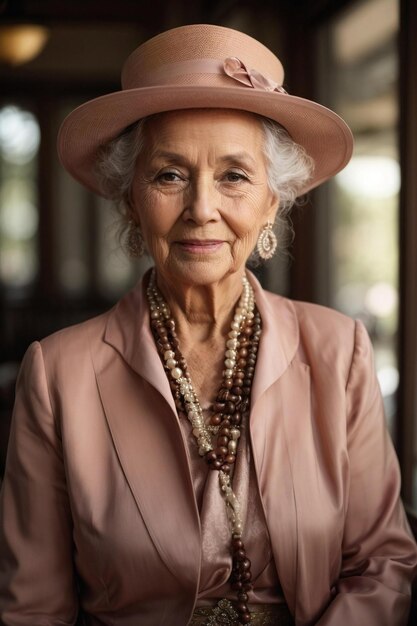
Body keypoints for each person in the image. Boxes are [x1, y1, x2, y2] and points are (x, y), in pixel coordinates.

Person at [0, 23, 415, 626]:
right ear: (130, 202)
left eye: (234, 177)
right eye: (169, 175)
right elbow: (33, 608)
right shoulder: (57, 373)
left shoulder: (339, 351)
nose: (200, 208)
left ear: (273, 201)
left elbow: (382, 562)